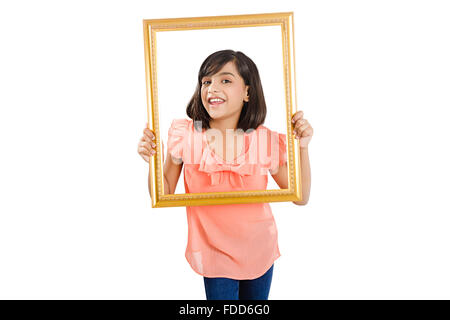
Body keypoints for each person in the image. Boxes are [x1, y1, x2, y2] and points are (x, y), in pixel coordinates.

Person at [138, 50, 313, 300]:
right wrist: (152, 159)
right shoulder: (187, 135)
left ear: (247, 93)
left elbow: (301, 196)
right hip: (214, 252)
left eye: (226, 80)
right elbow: (162, 193)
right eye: (206, 81)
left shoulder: (262, 140)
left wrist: (303, 147)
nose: (212, 88)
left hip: (259, 248)